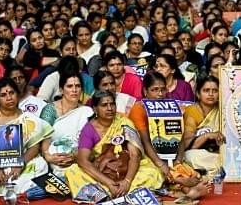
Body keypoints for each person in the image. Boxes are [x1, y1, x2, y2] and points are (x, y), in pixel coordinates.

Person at [64, 90, 164, 198]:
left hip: (127, 169)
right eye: (104, 105)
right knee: (73, 172)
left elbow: (135, 155)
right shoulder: (89, 129)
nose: (109, 108)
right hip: (102, 171)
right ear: (95, 109)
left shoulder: (125, 122)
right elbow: (82, 160)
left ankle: (111, 193)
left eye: (112, 104)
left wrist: (127, 181)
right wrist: (109, 183)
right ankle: (122, 192)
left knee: (152, 172)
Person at [128, 72, 211, 200]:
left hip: (170, 155)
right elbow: (145, 141)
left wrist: (178, 160)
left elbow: (180, 136)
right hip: (147, 154)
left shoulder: (171, 106)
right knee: (156, 174)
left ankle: (187, 190)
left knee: (188, 172)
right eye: (154, 90)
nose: (160, 94)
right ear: (145, 91)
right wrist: (160, 164)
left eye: (162, 89)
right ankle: (184, 187)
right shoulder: (139, 108)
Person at [0, 78, 53, 195]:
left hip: (20, 161)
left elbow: (34, 147)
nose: (9, 98)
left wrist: (20, 165)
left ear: (17, 95)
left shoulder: (28, 118)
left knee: (40, 165)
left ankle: (12, 187)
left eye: (11, 93)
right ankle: (13, 187)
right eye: (3, 95)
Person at [40, 70, 93, 173]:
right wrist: (48, 156)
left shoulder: (87, 112)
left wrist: (76, 156)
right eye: (69, 86)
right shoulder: (50, 110)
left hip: (79, 160)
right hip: (53, 159)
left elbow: (90, 142)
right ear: (61, 90)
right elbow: (44, 138)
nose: (74, 90)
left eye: (77, 86)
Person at [176, 76, 223, 177]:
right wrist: (207, 136)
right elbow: (188, 144)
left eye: (215, 91)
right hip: (197, 153)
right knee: (190, 156)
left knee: (224, 158)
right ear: (198, 94)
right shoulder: (192, 111)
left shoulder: (223, 109)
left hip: (219, 153)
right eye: (206, 90)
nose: (211, 94)